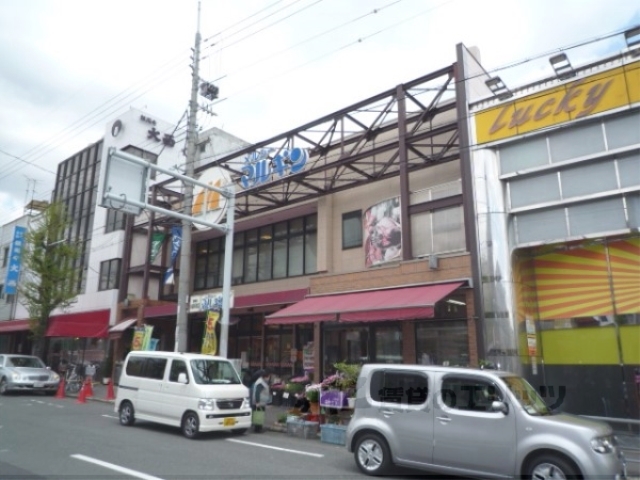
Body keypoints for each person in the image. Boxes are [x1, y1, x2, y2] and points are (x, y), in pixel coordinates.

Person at [250, 369, 271, 433]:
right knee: (259, 415)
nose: (269, 378)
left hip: (261, 402)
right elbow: (257, 392)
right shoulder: (261, 383)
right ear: (266, 377)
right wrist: (257, 402)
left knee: (259, 415)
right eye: (268, 377)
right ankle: (258, 429)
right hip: (259, 402)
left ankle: (258, 428)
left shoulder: (262, 382)